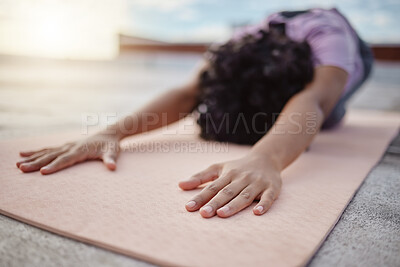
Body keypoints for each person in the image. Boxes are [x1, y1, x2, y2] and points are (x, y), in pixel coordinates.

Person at [16, 8, 373, 219]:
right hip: (267, 49)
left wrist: (266, 156)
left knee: (330, 117)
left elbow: (314, 102)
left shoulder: (330, 41)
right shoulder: (232, 47)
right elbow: (188, 93)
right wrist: (109, 133)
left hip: (348, 55)